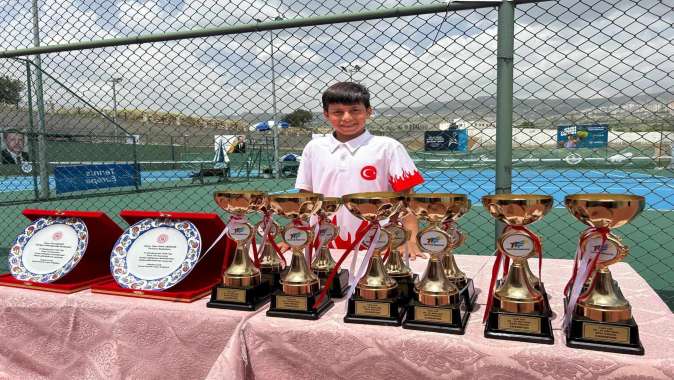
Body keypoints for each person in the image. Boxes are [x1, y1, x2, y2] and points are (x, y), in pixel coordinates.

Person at [293, 82, 425, 259]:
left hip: (380, 243)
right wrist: (297, 235)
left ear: (368, 111)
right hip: (323, 242)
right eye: (337, 112)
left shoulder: (389, 147)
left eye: (355, 110)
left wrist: (411, 239)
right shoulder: (313, 148)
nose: (346, 118)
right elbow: (305, 196)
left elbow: (407, 198)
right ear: (326, 114)